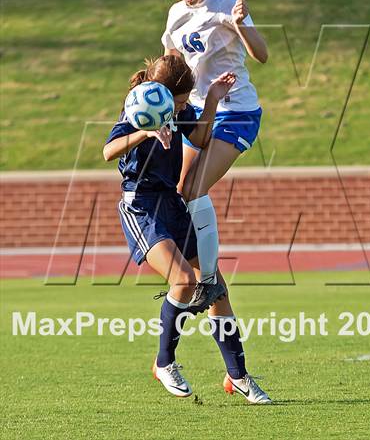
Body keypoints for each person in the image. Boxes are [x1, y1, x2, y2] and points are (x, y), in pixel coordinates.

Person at [103, 56, 271, 403]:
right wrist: (144, 132)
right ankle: (164, 363)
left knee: (215, 288)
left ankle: (237, 376)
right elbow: (108, 151)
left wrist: (210, 99)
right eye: (181, 101)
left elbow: (198, 136)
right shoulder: (139, 109)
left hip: (172, 204)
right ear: (163, 95)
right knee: (183, 280)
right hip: (142, 205)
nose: (183, 107)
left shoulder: (178, 109)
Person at [161, 0, 268, 295]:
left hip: (236, 111)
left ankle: (208, 278)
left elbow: (261, 55)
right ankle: (201, 272)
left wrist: (241, 26)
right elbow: (173, 63)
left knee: (193, 190)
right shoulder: (175, 14)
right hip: (198, 114)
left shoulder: (226, 3)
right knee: (179, 192)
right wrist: (158, 103)